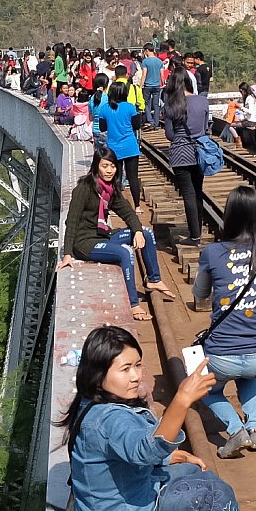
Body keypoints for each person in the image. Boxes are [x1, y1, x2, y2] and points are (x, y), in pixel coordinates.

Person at [58, 326, 254, 511]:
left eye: (138, 364)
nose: (136, 375)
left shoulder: (93, 404)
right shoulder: (109, 420)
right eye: (125, 369)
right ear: (99, 376)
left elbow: (126, 453)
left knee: (192, 473)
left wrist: (172, 457)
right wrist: (182, 400)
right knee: (217, 494)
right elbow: (145, 448)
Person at [191, 187, 256, 458]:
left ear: (228, 215)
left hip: (222, 356)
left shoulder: (212, 252)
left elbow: (199, 295)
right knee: (249, 374)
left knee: (205, 387)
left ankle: (235, 430)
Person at [58, 149, 174, 320]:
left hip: (103, 235)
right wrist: (67, 254)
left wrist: (137, 232)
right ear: (96, 167)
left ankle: (154, 279)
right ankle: (133, 304)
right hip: (84, 243)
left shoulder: (110, 189)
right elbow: (72, 222)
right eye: (105, 166)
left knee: (146, 233)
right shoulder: (83, 189)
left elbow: (128, 212)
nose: (109, 170)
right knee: (125, 252)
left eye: (112, 166)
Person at [161, 69, 212, 247]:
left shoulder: (170, 105)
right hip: (200, 152)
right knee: (198, 191)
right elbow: (206, 129)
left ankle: (195, 236)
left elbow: (170, 134)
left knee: (188, 194)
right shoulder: (203, 101)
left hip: (180, 154)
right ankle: (197, 231)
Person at [95, 82, 144, 207]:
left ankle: (115, 205)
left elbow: (102, 127)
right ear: (124, 93)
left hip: (113, 147)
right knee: (133, 177)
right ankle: (137, 206)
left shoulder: (105, 108)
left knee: (115, 177)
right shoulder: (130, 107)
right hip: (130, 146)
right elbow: (137, 125)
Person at [139, 46, 165, 128]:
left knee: (146, 103)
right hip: (157, 85)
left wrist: (140, 86)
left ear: (146, 50)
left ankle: (150, 120)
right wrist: (163, 83)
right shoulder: (159, 61)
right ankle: (156, 123)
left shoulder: (145, 61)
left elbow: (144, 74)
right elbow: (162, 75)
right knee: (156, 104)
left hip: (147, 85)